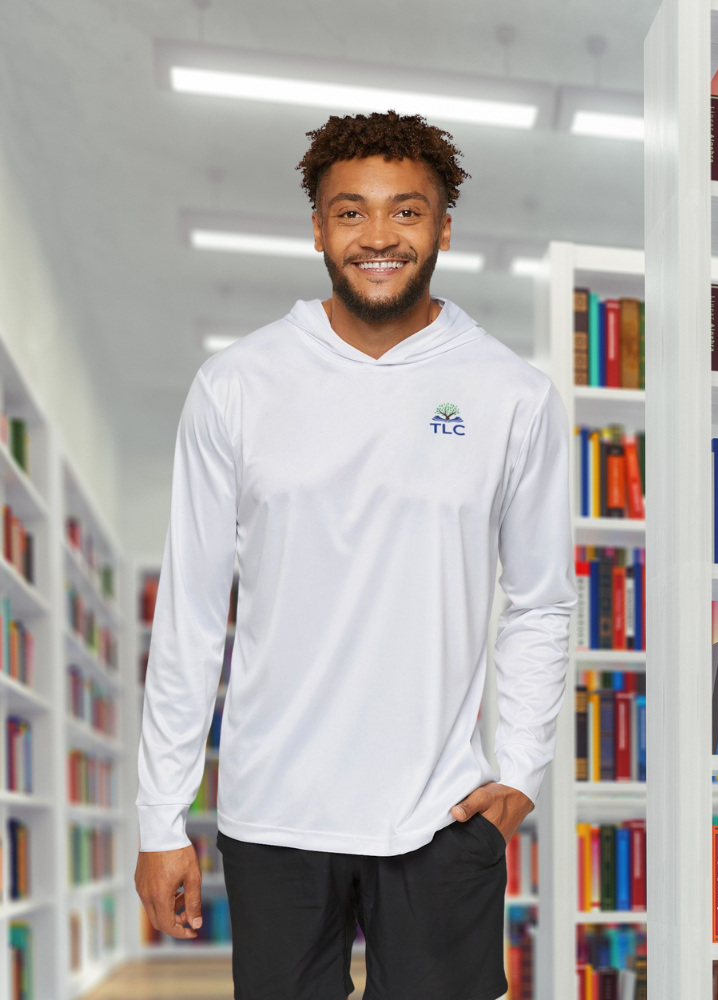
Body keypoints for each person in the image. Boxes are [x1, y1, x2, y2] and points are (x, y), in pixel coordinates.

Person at [133, 110, 575, 1000]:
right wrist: (158, 817)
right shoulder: (238, 385)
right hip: (274, 815)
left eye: (406, 212)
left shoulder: (513, 396)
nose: (378, 236)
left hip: (443, 816)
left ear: (444, 226)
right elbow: (188, 611)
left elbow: (540, 602)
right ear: (318, 228)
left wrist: (521, 775)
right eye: (350, 212)